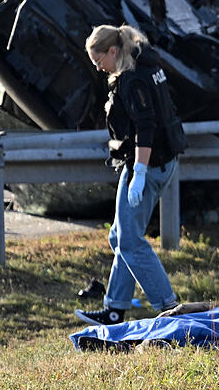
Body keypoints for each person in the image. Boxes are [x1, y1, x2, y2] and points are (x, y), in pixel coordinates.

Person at [74, 24, 188, 325]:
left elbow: (146, 126)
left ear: (113, 51)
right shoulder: (147, 64)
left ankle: (168, 306)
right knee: (120, 236)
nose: (98, 68)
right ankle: (114, 309)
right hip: (158, 161)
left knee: (130, 242)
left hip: (147, 164)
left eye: (99, 61)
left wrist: (139, 171)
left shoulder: (132, 79)